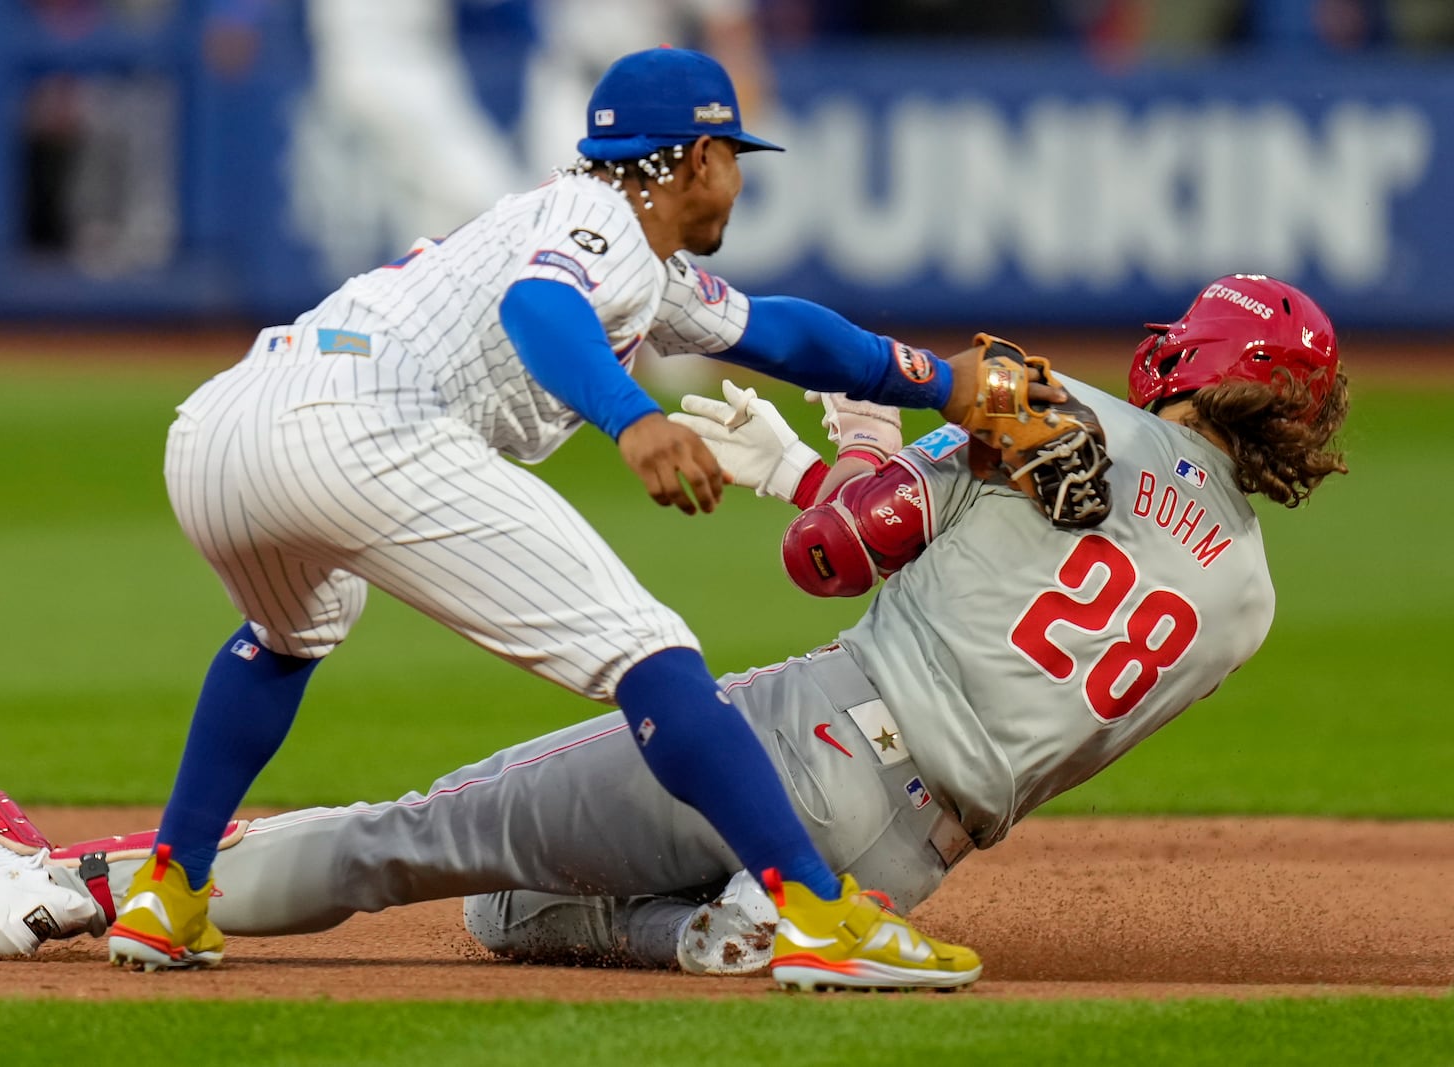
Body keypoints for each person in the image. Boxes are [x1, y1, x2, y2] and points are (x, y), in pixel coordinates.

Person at [0, 274, 1347, 983]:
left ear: (1196, 359)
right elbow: (1028, 639)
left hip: (806, 731)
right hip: (919, 850)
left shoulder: (1065, 416)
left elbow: (831, 552)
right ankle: (715, 927)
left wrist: (843, 453)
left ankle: (72, 884)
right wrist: (835, 472)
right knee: (505, 910)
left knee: (421, 834)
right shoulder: (1250, 604)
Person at [98, 44, 1019, 990]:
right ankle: (818, 913)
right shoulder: (602, 223)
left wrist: (945, 384)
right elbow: (539, 304)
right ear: (698, 157)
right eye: (735, 155)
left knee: (287, 633)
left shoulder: (616, 246)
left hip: (217, 433)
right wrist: (635, 419)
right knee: (650, 648)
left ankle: (169, 890)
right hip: (363, 429)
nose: (739, 180)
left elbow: (778, 331)